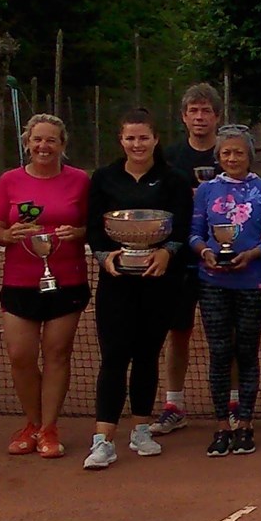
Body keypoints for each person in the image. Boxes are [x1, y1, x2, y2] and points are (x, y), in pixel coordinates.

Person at [83, 107, 193, 471]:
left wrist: (166, 253)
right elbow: (95, 228)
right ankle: (103, 440)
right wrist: (104, 257)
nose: (137, 144)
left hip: (159, 281)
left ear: (155, 139)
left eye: (143, 137)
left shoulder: (173, 179)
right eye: (130, 138)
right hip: (117, 283)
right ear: (121, 140)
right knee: (114, 355)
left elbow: (181, 226)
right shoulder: (104, 178)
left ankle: (141, 429)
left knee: (147, 354)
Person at [0, 113, 88, 461]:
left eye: (51, 140)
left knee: (57, 353)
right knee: (21, 355)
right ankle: (30, 423)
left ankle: (49, 427)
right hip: (19, 281)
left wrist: (77, 234)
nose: (43, 146)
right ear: (27, 143)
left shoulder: (79, 181)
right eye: (37, 140)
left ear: (62, 145)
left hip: (67, 280)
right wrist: (7, 235)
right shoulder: (9, 181)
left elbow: (92, 226)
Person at [190, 125, 261, 458]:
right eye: (226, 153)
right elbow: (195, 233)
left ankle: (245, 425)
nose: (232, 158)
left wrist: (254, 254)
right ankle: (222, 426)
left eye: (238, 152)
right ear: (218, 156)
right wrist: (206, 253)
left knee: (247, 351)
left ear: (249, 155)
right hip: (212, 282)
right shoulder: (206, 190)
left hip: (252, 281)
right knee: (220, 352)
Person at [155, 82, 223, 437]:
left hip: (222, 259)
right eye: (193, 111)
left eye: (206, 111)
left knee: (224, 334)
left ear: (217, 117)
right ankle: (174, 403)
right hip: (181, 258)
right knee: (178, 331)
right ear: (184, 117)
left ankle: (232, 401)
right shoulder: (170, 158)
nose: (200, 117)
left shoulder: (228, 154)